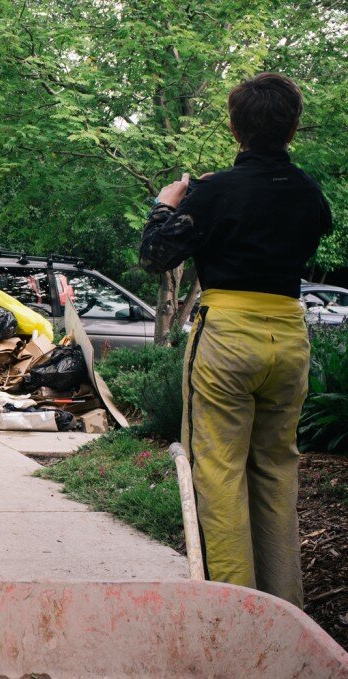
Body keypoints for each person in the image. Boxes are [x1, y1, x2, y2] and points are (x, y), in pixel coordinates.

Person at [139, 73, 332, 607]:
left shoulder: (214, 190)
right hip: (289, 337)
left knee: (220, 471)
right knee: (276, 469)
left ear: (234, 127)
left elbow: (157, 256)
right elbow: (315, 225)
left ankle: (234, 615)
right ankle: (284, 613)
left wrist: (168, 203)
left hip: (227, 335)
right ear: (293, 127)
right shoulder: (309, 190)